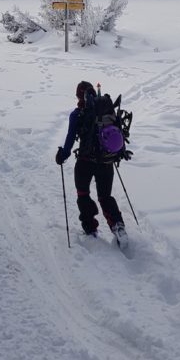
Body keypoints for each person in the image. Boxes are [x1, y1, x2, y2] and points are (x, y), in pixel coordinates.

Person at [56, 81, 127, 245]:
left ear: (80, 96)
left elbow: (69, 140)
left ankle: (90, 229)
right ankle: (118, 226)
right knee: (105, 196)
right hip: (106, 161)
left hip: (85, 161)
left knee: (83, 194)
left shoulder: (77, 114)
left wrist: (62, 155)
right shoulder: (107, 110)